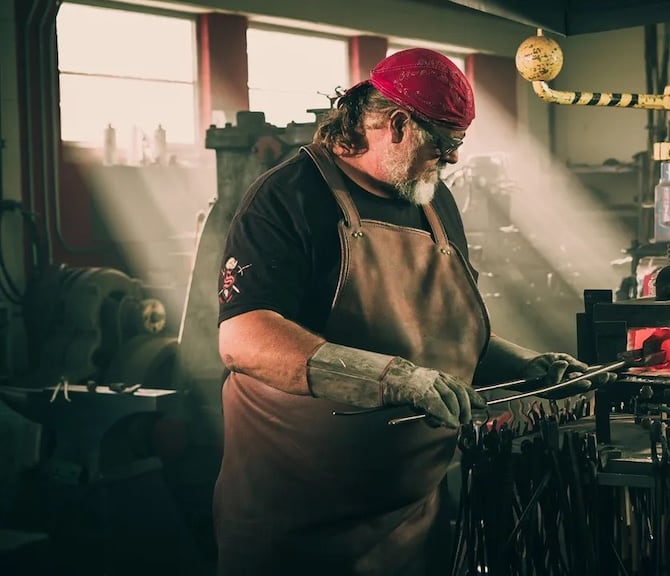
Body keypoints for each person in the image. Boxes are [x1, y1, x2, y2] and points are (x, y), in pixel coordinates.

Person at [213, 48, 613, 576]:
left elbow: (447, 336)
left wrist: (527, 368)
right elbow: (243, 337)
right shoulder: (289, 195)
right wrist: (393, 378)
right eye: (444, 143)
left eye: (459, 144)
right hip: (298, 522)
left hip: (408, 521)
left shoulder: (432, 200)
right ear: (397, 124)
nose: (451, 160)